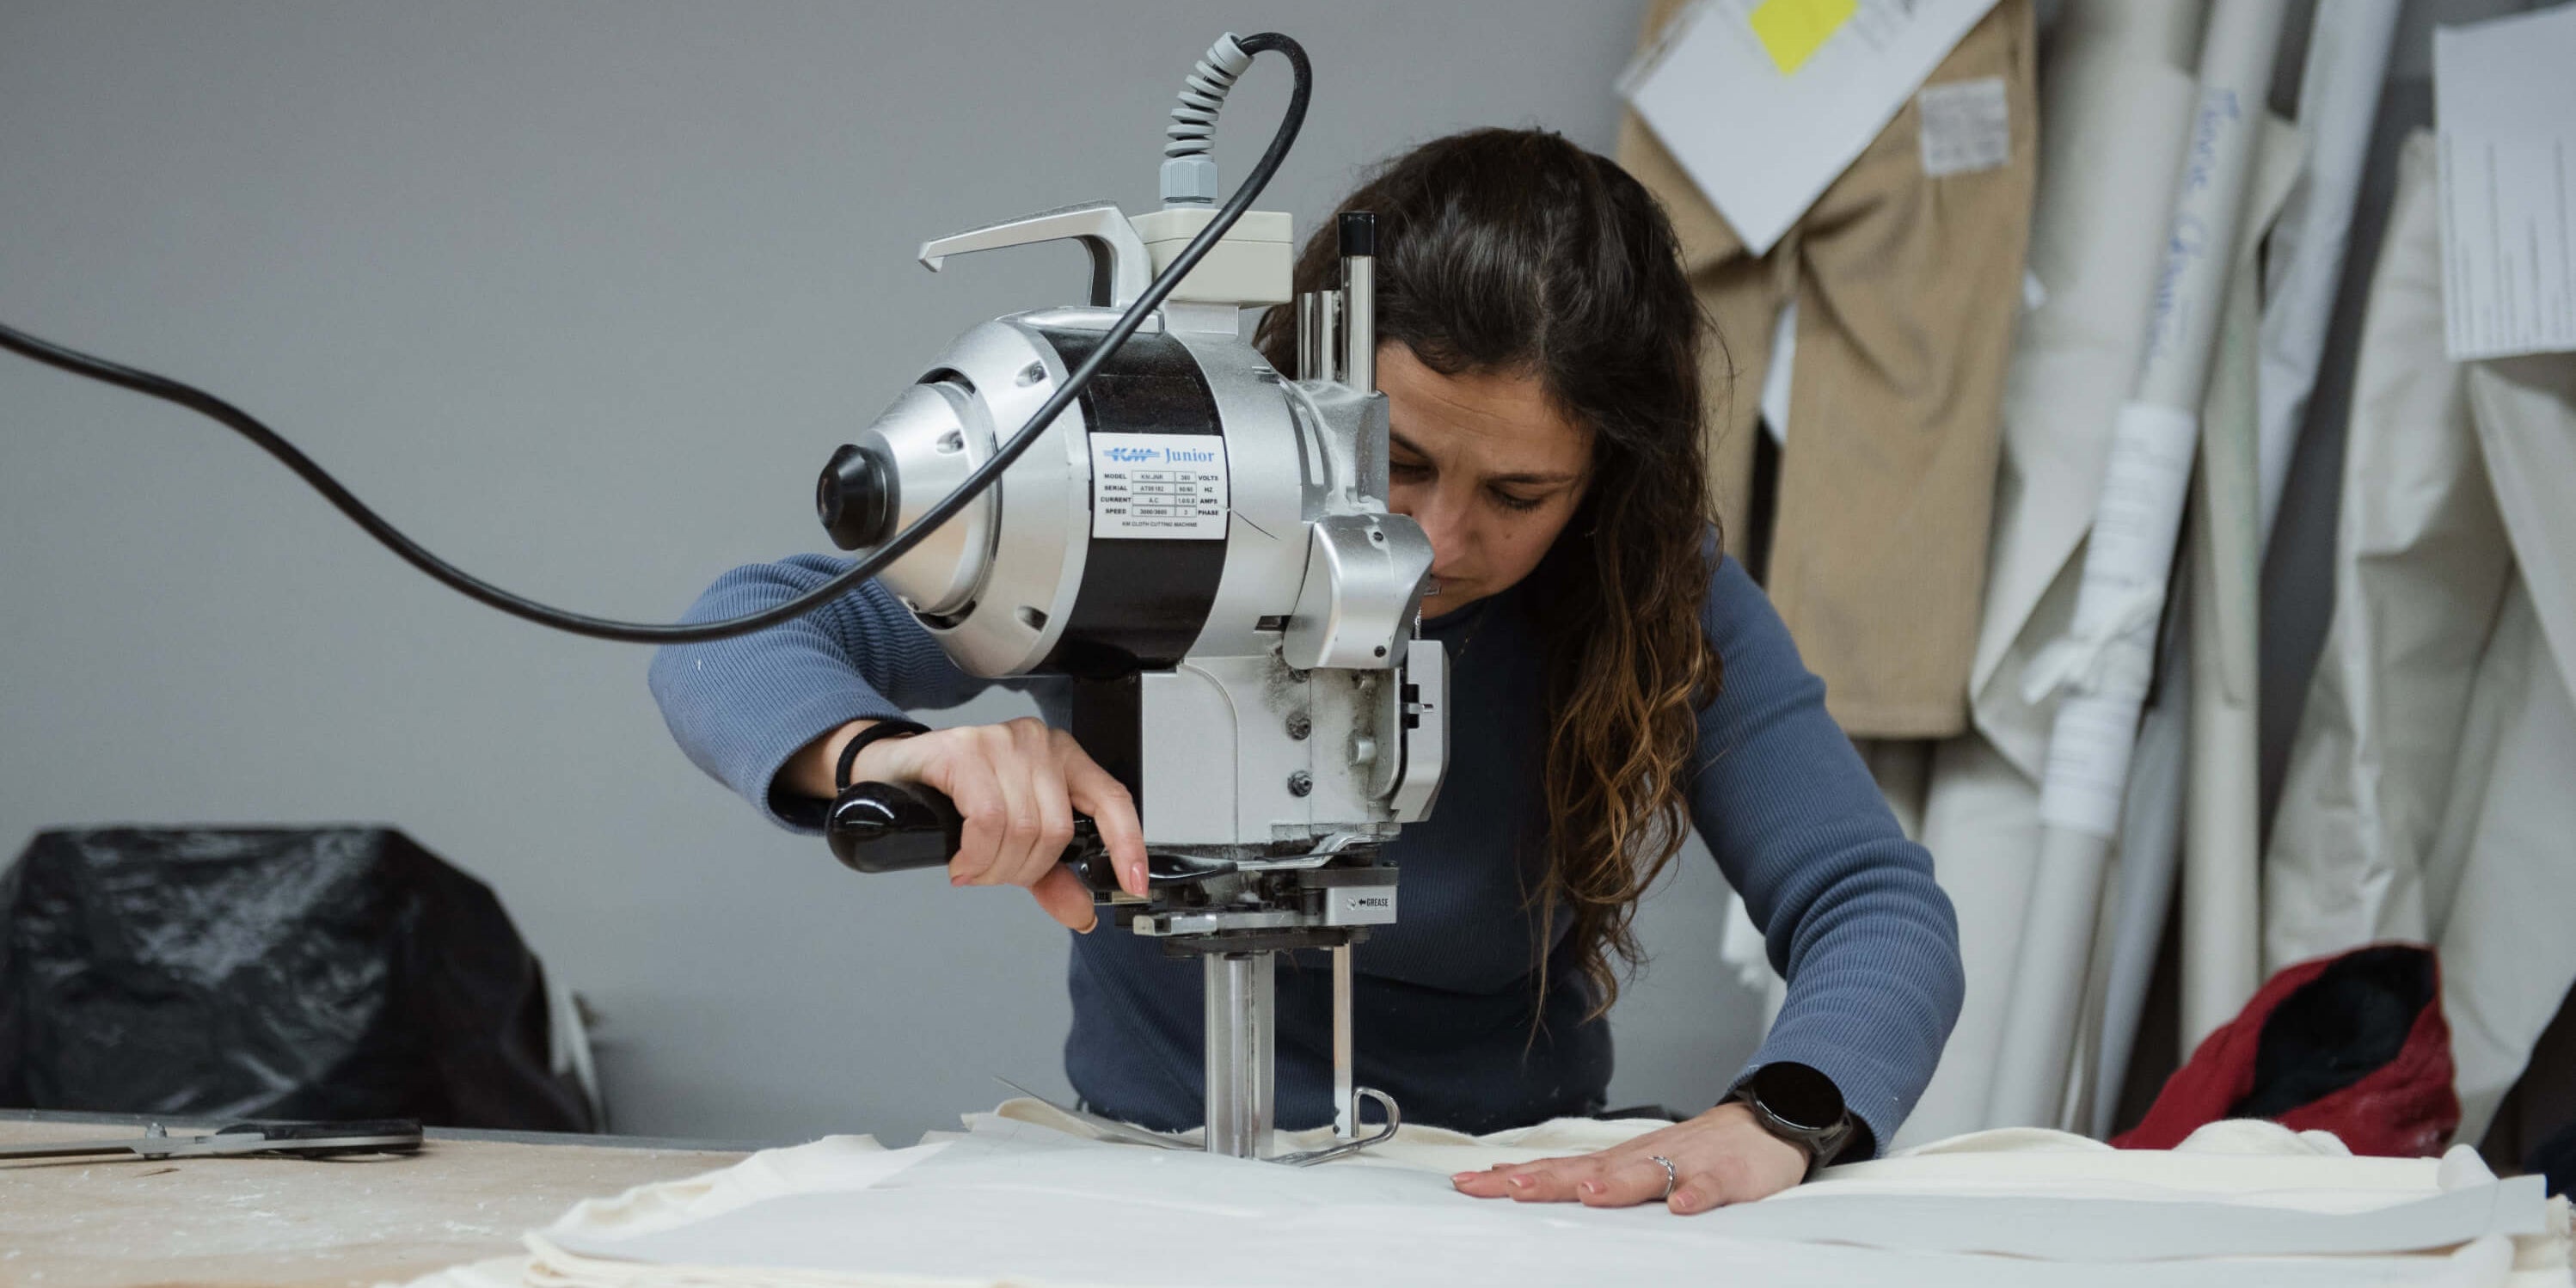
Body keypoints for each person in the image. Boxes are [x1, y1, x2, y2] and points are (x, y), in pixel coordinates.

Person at [648, 128, 1963, 1212]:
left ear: (1606, 482)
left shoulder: (1650, 600)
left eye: (1519, 491)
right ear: (1311, 396)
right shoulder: (1150, 518)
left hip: (1496, 1204)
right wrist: (886, 754)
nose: (1438, 540)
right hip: (1150, 1178)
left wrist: (1788, 1107)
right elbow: (744, 628)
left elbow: (1874, 899)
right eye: (1398, 462)